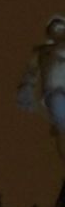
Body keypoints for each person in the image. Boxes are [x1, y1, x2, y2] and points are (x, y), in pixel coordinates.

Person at [18, 16, 65, 165]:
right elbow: (31, 72)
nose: (59, 31)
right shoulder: (43, 53)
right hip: (55, 92)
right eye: (55, 28)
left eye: (62, 28)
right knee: (60, 112)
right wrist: (26, 90)